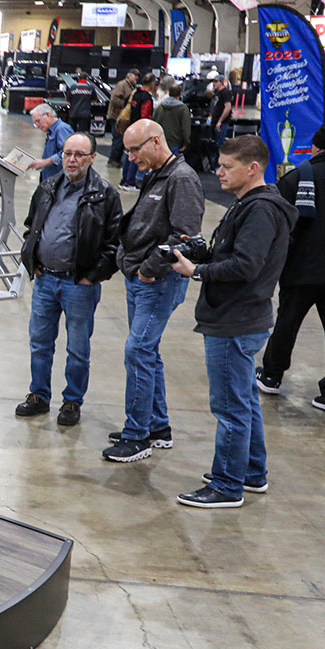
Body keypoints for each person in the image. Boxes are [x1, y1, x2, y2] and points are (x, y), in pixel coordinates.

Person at [167, 135, 296, 507]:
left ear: (252, 168)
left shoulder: (260, 210)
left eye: (227, 167)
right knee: (244, 402)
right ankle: (251, 472)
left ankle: (226, 485)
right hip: (238, 316)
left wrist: (197, 271)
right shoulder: (249, 205)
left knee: (230, 407)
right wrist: (204, 250)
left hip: (235, 320)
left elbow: (246, 265)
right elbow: (238, 254)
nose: (218, 172)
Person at [102, 118, 205, 463]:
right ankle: (157, 426)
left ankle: (137, 436)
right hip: (139, 278)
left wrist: (148, 270)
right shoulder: (157, 173)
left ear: (157, 141)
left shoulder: (182, 179)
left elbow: (186, 237)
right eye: (128, 150)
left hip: (158, 283)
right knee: (148, 352)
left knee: (138, 351)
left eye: (135, 149)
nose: (130, 157)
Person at [16, 132, 123, 427]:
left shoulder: (104, 194)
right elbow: (31, 226)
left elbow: (114, 244)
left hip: (79, 286)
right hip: (45, 281)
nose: (71, 160)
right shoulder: (48, 186)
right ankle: (39, 395)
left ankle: (72, 401)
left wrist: (92, 276)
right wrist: (33, 259)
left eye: (79, 155)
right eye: (67, 153)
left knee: (77, 348)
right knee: (40, 342)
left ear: (91, 158)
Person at [257, 126, 325, 410]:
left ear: (314, 146)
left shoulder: (299, 176)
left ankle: (272, 376)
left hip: (301, 268)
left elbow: (277, 223)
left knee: (287, 322)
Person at [119, 72, 158, 189]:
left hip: (130, 128)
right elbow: (145, 116)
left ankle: (124, 180)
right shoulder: (146, 97)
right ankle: (130, 181)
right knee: (136, 156)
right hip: (140, 131)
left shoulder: (135, 93)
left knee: (129, 155)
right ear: (152, 84)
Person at [26, 103, 74, 182]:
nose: (37, 126)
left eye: (38, 121)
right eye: (35, 124)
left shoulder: (62, 129)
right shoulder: (51, 131)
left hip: (59, 180)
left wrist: (45, 162)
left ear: (48, 115)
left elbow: (68, 153)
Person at [106, 69, 139, 169]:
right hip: (116, 117)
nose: (136, 78)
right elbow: (114, 99)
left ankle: (117, 159)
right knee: (118, 139)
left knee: (121, 139)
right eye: (135, 75)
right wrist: (127, 105)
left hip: (123, 118)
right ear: (129, 75)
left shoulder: (132, 86)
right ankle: (113, 160)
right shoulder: (122, 85)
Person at [157, 84, 190, 156]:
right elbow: (185, 128)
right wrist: (186, 143)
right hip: (174, 144)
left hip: (160, 142)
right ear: (180, 93)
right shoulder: (183, 108)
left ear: (169, 93)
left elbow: (154, 122)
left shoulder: (160, 106)